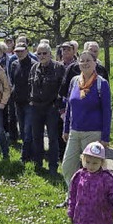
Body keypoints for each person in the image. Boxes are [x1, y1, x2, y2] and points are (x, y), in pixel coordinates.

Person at [61, 51, 112, 203]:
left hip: (93, 133)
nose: (84, 63)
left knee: (92, 168)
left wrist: (105, 137)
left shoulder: (101, 83)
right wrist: (66, 128)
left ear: (95, 63)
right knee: (68, 166)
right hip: (75, 131)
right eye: (81, 60)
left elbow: (107, 111)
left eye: (88, 60)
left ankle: (91, 200)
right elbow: (69, 106)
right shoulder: (74, 81)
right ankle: (73, 195)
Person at [29, 43, 66, 174]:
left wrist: (57, 105)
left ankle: (53, 166)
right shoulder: (34, 67)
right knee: (37, 137)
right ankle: (38, 164)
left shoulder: (59, 67)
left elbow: (63, 89)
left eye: (45, 53)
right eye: (39, 53)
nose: (42, 56)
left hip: (51, 108)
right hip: (36, 108)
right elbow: (31, 86)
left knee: (53, 138)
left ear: (50, 53)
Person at [9, 42, 35, 158]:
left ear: (27, 51)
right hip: (18, 101)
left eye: (21, 51)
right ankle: (28, 152)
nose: (19, 53)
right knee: (22, 128)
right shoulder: (14, 64)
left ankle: (25, 155)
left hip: (29, 102)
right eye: (17, 51)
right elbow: (12, 81)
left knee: (28, 129)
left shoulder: (34, 65)